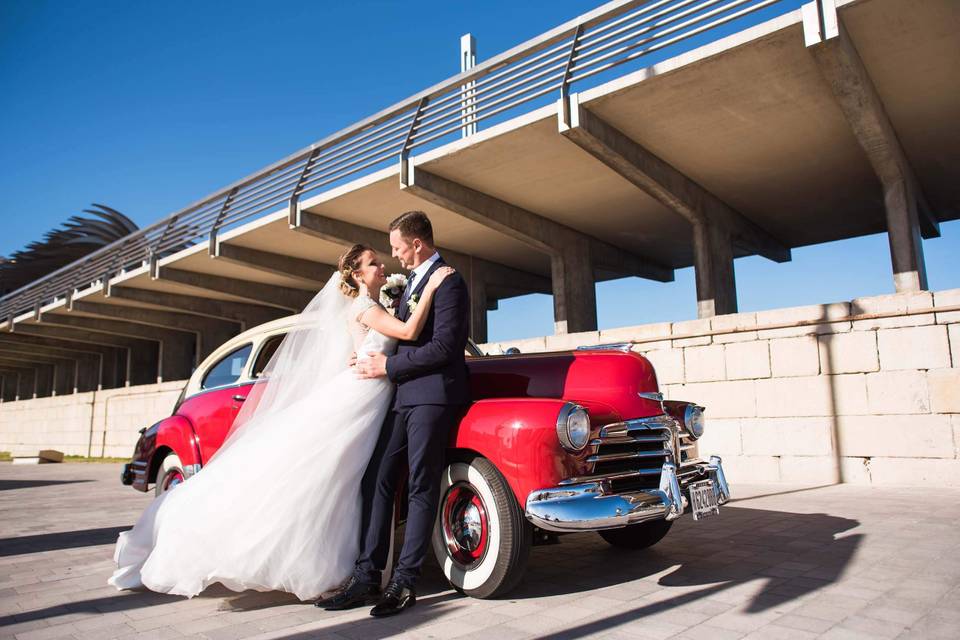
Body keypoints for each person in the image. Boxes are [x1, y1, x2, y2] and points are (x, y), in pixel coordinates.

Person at [107, 242, 454, 601]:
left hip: (378, 395)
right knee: (320, 477)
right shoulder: (366, 307)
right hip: (363, 397)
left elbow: (381, 342)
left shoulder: (375, 305)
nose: (382, 266)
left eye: (381, 261)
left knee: (346, 482)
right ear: (356, 273)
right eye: (373, 263)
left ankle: (358, 565)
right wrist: (431, 286)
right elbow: (408, 332)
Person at [316, 210, 471, 617]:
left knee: (421, 485)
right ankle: (367, 576)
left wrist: (387, 367)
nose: (395, 255)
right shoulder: (407, 287)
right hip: (401, 397)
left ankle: (404, 582)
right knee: (377, 480)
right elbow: (396, 336)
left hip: (433, 396)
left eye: (398, 247)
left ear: (416, 243)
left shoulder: (449, 281)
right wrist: (367, 353)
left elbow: (445, 349)